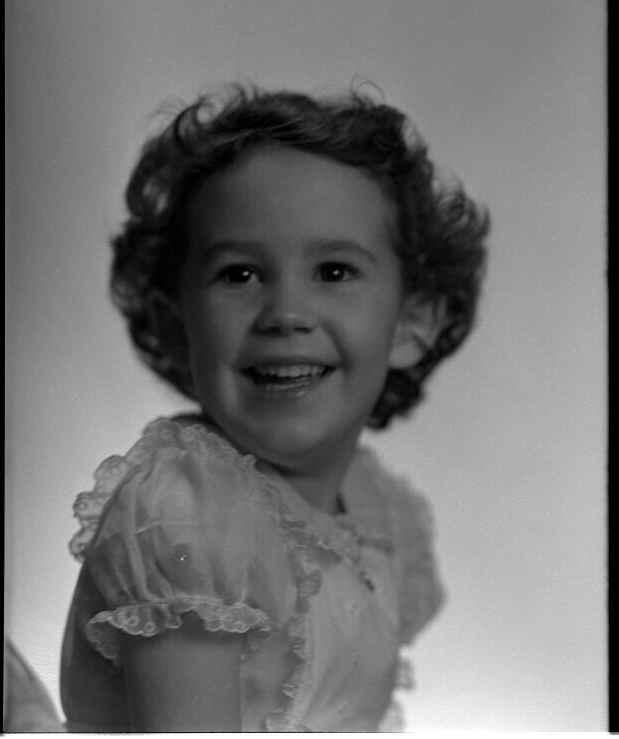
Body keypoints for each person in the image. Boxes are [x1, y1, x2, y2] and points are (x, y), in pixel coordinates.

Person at [60, 84, 489, 732]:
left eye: (334, 271)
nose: (285, 313)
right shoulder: (189, 513)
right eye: (239, 273)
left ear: (412, 322)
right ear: (176, 327)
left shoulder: (375, 508)